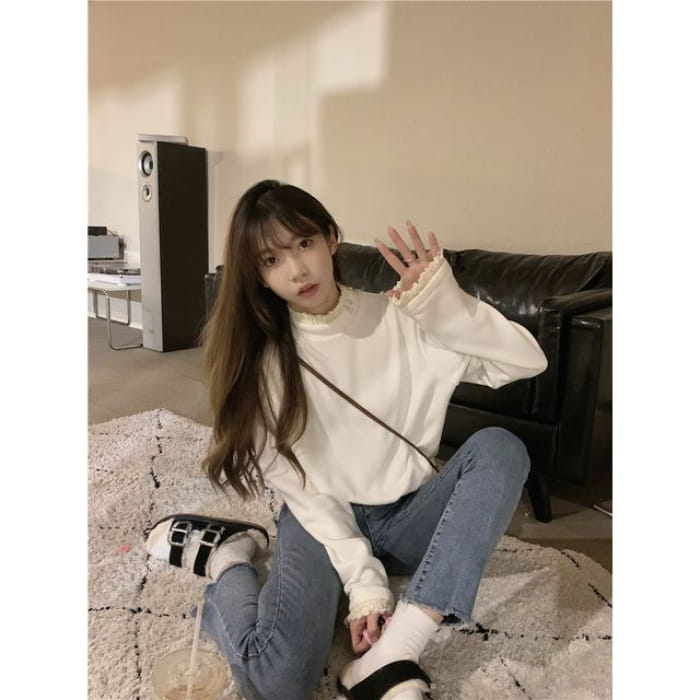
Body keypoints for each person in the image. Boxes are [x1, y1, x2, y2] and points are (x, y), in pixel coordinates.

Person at [145, 179, 548, 700]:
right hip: (322, 517)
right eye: (271, 260)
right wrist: (364, 584)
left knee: (501, 448)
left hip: (409, 513)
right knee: (279, 683)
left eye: (304, 243)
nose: (297, 270)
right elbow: (305, 490)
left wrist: (446, 306)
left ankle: (398, 648)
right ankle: (230, 561)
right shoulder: (262, 362)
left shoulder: (402, 316)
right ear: (258, 276)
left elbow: (527, 362)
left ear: (331, 238)